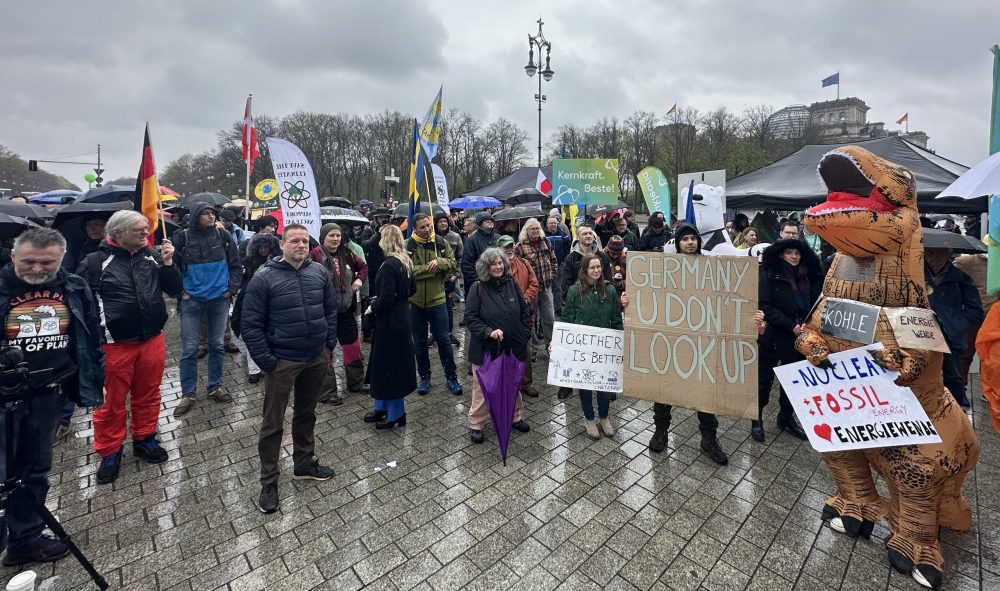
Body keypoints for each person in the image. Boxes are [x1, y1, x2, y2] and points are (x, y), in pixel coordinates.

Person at [0, 228, 104, 565]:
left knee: (35, 469)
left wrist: (94, 375)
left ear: (60, 259)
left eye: (47, 262)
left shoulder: (73, 287)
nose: (36, 268)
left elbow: (91, 332)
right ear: (14, 256)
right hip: (4, 394)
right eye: (28, 260)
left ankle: (25, 538)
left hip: (50, 391)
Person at [77, 211, 183, 485]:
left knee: (148, 394)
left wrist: (169, 263)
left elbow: (174, 290)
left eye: (146, 229)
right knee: (110, 403)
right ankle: (110, 451)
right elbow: (79, 305)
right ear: (118, 233)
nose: (145, 234)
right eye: (138, 230)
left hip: (152, 340)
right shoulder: (93, 262)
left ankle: (145, 438)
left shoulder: (152, 256)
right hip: (113, 346)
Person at [241, 224, 338, 514]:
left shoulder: (318, 272)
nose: (301, 245)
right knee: (273, 422)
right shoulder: (264, 278)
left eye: (305, 241)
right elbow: (250, 325)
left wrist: (328, 343)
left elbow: (330, 308)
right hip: (282, 359)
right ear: (281, 245)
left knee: (307, 413)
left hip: (315, 356)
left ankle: (304, 463)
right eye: (294, 240)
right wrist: (267, 361)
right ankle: (269, 480)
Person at [647, 223, 729, 465]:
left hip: (703, 339)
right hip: (672, 337)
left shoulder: (712, 267)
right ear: (679, 244)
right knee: (665, 387)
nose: (691, 242)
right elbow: (652, 295)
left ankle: (709, 438)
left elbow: (728, 296)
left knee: (704, 390)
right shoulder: (667, 268)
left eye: (694, 238)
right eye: (685, 239)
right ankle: (660, 431)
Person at [171, 202, 243, 417]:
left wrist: (231, 289)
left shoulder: (224, 237)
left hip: (219, 299)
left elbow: (236, 265)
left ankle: (215, 386)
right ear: (195, 216)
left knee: (218, 345)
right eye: (205, 213)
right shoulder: (181, 238)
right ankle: (188, 393)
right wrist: (179, 292)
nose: (211, 217)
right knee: (189, 349)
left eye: (213, 213)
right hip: (191, 300)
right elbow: (170, 267)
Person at [753, 239, 820, 442]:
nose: (794, 256)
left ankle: (786, 417)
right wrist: (791, 325)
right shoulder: (770, 274)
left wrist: (809, 323)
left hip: (799, 339)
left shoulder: (809, 275)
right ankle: (756, 418)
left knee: (792, 381)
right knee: (764, 382)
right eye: (789, 253)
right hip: (774, 336)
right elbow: (765, 305)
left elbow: (816, 302)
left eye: (797, 253)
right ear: (781, 255)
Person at [464, 248, 532, 444]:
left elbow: (524, 310)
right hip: (486, 349)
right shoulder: (477, 288)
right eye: (494, 264)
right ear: (486, 267)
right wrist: (488, 331)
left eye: (500, 262)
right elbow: (470, 317)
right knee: (483, 389)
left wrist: (524, 333)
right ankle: (476, 424)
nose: (498, 266)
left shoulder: (512, 283)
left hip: (513, 346)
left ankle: (514, 417)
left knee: (512, 385)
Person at [562, 253, 629, 439]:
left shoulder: (609, 290)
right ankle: (589, 418)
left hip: (605, 348)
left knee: (604, 384)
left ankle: (604, 417)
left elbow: (616, 319)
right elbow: (567, 319)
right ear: (584, 270)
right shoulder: (575, 291)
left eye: (599, 267)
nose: (597, 270)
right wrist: (559, 344)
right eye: (592, 267)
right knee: (584, 384)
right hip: (583, 348)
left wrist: (620, 341)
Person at [365, 225, 417, 429]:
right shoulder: (405, 261)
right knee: (387, 363)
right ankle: (382, 407)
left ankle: (395, 413)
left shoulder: (388, 265)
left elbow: (385, 300)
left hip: (390, 321)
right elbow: (412, 288)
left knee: (389, 365)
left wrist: (372, 307)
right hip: (403, 316)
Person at [310, 223, 368, 404]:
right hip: (323, 314)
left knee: (352, 347)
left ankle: (356, 383)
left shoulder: (348, 253)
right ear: (323, 238)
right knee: (325, 351)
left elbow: (364, 267)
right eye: (331, 236)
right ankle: (327, 392)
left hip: (346, 310)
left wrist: (359, 279)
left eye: (337, 236)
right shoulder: (314, 256)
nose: (335, 239)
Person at [407, 213, 463, 396]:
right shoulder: (408, 245)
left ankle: (451, 377)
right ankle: (424, 377)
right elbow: (407, 270)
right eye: (422, 227)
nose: (427, 229)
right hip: (414, 302)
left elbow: (453, 264)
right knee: (420, 342)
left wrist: (439, 262)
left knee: (444, 340)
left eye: (428, 225)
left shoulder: (440, 243)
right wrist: (429, 270)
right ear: (414, 228)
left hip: (438, 300)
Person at [925, 247, 984, 408]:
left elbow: (975, 311)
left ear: (949, 254)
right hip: (921, 335)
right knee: (922, 375)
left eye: (940, 252)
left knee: (952, 377)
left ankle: (958, 411)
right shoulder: (915, 276)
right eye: (930, 252)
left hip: (951, 337)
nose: (934, 257)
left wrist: (957, 325)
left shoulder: (961, 279)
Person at [231, 232, 281, 383]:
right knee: (252, 336)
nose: (264, 249)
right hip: (250, 300)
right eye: (261, 246)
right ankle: (254, 370)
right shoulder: (248, 261)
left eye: (267, 246)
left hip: (271, 301)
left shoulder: (278, 261)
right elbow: (240, 280)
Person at [499, 235, 540, 397]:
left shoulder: (524, 263)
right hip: (504, 318)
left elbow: (534, 283)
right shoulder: (496, 266)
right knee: (505, 351)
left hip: (524, 317)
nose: (509, 249)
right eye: (505, 247)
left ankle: (526, 382)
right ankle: (508, 382)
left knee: (526, 351)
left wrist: (525, 299)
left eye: (511, 246)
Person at [515, 218, 558, 360]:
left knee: (550, 319)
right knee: (531, 321)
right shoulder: (520, 246)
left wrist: (553, 275)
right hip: (530, 289)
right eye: (532, 229)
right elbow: (517, 267)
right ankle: (532, 350)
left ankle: (550, 348)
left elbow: (553, 260)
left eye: (537, 228)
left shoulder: (546, 242)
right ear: (526, 231)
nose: (535, 231)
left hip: (546, 287)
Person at [954, 253, 996, 388]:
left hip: (994, 317)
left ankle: (987, 387)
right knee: (966, 353)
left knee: (991, 356)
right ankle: (961, 384)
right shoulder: (968, 261)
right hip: (976, 315)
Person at [435, 212, 464, 343]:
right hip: (434, 278)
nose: (443, 224)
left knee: (447, 306)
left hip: (449, 278)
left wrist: (457, 275)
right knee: (435, 307)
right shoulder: (430, 237)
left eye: (445, 221)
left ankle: (449, 332)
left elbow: (460, 257)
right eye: (440, 221)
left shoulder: (455, 236)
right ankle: (434, 333)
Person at [461, 212, 499, 300]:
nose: (490, 221)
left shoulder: (498, 238)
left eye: (491, 220)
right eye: (486, 220)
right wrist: (478, 281)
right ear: (480, 223)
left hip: (496, 283)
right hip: (479, 285)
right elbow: (466, 265)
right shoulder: (471, 240)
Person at [544, 216, 571, 315]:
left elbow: (568, 244)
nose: (553, 224)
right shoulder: (543, 235)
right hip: (546, 265)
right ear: (547, 224)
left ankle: (557, 308)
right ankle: (548, 308)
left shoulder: (562, 234)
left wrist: (564, 256)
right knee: (547, 287)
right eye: (551, 223)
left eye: (554, 223)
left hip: (559, 264)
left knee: (557, 287)